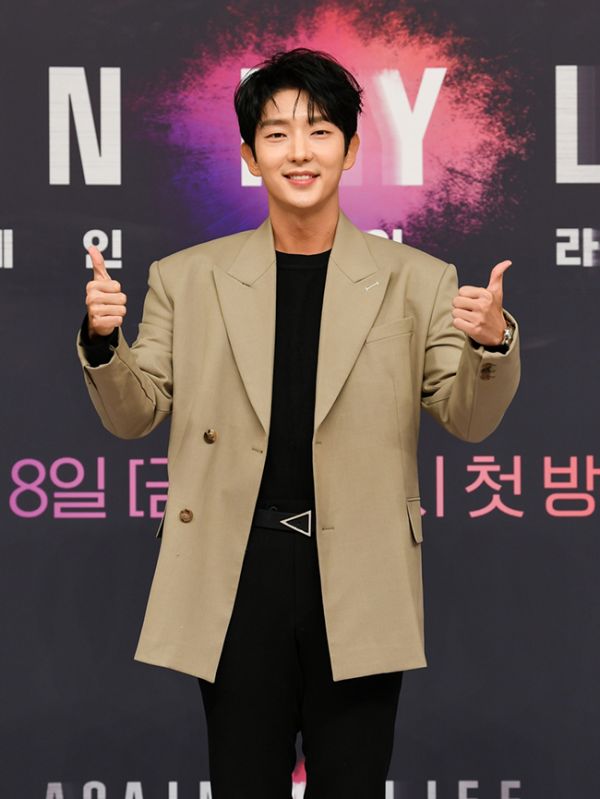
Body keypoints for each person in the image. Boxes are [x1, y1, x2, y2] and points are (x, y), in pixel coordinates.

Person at [77, 48, 520, 799]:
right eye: (277, 134)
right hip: (236, 569)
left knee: (353, 783)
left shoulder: (418, 280)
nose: (300, 151)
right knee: (243, 781)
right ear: (251, 156)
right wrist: (101, 341)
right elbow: (135, 413)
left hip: (362, 569)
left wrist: (493, 343)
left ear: (351, 148)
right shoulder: (188, 278)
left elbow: (468, 420)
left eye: (319, 131)